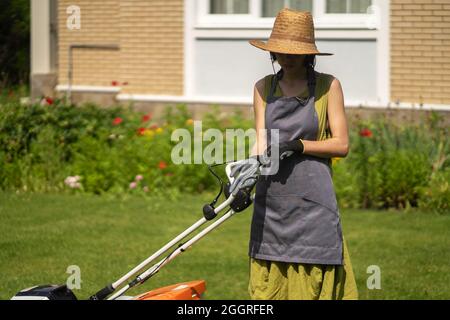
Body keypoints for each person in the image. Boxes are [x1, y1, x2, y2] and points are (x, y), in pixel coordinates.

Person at [245, 8, 358, 300]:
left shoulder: (327, 86)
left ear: (309, 53)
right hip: (272, 202)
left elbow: (341, 144)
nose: (287, 56)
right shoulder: (262, 88)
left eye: (294, 51)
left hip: (314, 202)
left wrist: (299, 145)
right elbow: (260, 140)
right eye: (281, 51)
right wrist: (245, 177)